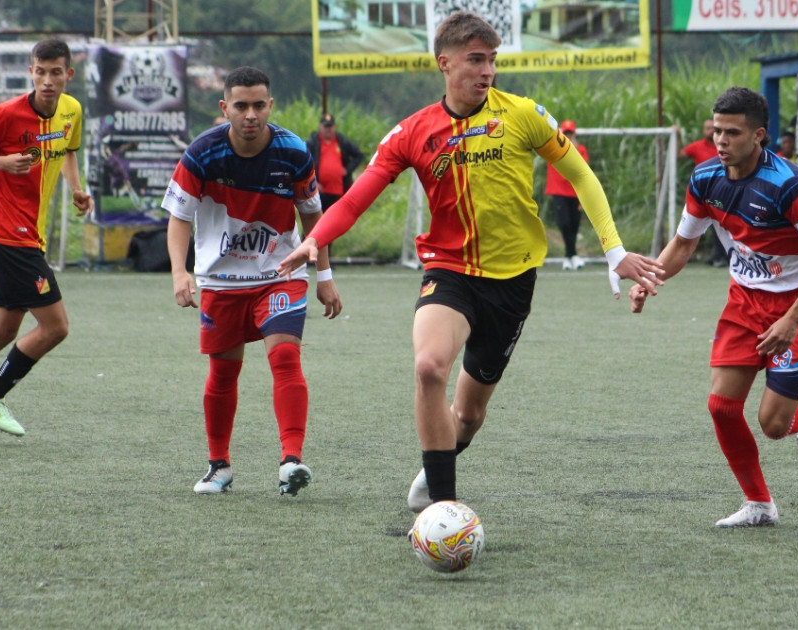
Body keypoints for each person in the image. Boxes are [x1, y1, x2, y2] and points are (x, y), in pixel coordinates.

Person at [278, 11, 664, 514]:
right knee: (429, 367)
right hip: (450, 271)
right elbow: (354, 200)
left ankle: (442, 457)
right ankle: (444, 507)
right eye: (475, 60)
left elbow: (581, 175)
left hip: (514, 280)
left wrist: (613, 249)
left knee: (470, 415)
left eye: (492, 61)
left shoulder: (522, 114)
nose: (487, 71)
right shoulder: (412, 132)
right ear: (444, 62)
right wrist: (317, 239)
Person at [630, 86, 798, 528]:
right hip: (744, 303)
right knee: (722, 408)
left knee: (772, 424)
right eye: (716, 131)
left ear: (758, 135)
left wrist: (793, 317)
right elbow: (685, 244)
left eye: (732, 132)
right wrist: (650, 279)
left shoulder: (791, 186)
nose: (721, 140)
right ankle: (759, 505)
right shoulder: (706, 178)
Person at [162, 66, 343, 496]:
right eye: (240, 106)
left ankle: (291, 462)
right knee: (223, 372)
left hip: (280, 273)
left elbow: (314, 217)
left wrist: (325, 275)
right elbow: (179, 217)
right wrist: (179, 271)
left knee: (285, 358)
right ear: (225, 108)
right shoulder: (201, 153)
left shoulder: (294, 152)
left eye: (259, 105)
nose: (250, 114)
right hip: (221, 281)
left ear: (270, 106)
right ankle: (219, 467)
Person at [0, 39, 93, 437]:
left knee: (1, 331)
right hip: (11, 235)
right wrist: (1, 162)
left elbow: (70, 150)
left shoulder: (71, 110)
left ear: (68, 75)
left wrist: (77, 189)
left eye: (56, 72)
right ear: (31, 72)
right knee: (56, 327)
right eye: (40, 71)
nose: (47, 80)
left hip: (31, 235)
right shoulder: (6, 114)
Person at [677, 117, 727, 266]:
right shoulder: (697, 146)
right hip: (705, 194)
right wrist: (677, 135)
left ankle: (722, 255)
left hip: (725, 191)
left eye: (714, 128)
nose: (711, 131)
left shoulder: (724, 146)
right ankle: (716, 255)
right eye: (708, 128)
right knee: (698, 225)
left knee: (723, 225)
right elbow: (680, 155)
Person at [545, 119, 589, 270]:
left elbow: (581, 168)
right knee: (564, 223)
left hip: (576, 192)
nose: (569, 136)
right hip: (558, 191)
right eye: (566, 133)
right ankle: (571, 255)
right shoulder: (553, 148)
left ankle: (570, 256)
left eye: (571, 133)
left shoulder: (581, 149)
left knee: (574, 223)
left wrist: (574, 149)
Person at [306, 113, 364, 213]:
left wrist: (347, 169)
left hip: (339, 191)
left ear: (334, 126)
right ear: (321, 127)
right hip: (318, 191)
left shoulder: (341, 141)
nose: (329, 129)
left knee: (336, 220)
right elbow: (304, 163)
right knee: (315, 221)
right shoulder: (313, 143)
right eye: (326, 126)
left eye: (331, 126)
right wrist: (313, 181)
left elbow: (359, 155)